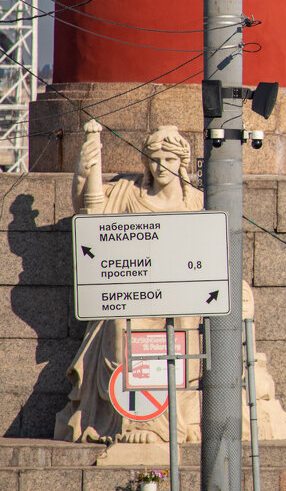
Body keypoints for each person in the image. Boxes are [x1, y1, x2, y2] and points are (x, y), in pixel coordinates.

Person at [56, 123, 203, 444]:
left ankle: (168, 420)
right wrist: (85, 171)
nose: (161, 166)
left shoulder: (196, 202)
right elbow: (91, 215)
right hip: (132, 294)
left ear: (182, 164)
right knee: (120, 327)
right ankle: (134, 420)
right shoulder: (127, 193)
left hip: (179, 296)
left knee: (182, 324)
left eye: (170, 159)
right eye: (154, 159)